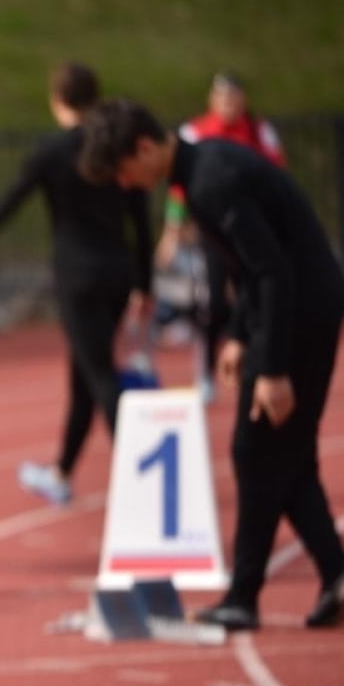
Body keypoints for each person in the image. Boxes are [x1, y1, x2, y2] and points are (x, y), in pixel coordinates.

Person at [80, 99, 344, 631]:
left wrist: (272, 367)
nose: (127, 185)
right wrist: (240, 336)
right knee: (285, 455)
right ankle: (330, 576)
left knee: (257, 450)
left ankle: (245, 596)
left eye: (124, 172)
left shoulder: (210, 183)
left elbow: (272, 271)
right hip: (297, 304)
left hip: (302, 310)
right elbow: (253, 268)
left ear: (145, 148)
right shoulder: (201, 168)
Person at [0, 63, 152, 507]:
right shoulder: (116, 150)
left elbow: (9, 203)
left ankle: (145, 478)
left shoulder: (52, 152)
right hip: (118, 273)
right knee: (86, 374)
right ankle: (62, 473)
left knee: (99, 374)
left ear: (57, 100)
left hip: (77, 278)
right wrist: (145, 282)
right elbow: (140, 221)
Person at [161, 73, 289, 402]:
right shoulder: (194, 132)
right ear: (211, 100)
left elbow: (279, 175)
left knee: (259, 292)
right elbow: (178, 190)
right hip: (216, 234)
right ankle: (206, 372)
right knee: (214, 303)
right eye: (222, 97)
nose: (229, 104)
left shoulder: (260, 131)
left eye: (234, 97)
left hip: (255, 232)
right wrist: (172, 231)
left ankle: (261, 365)